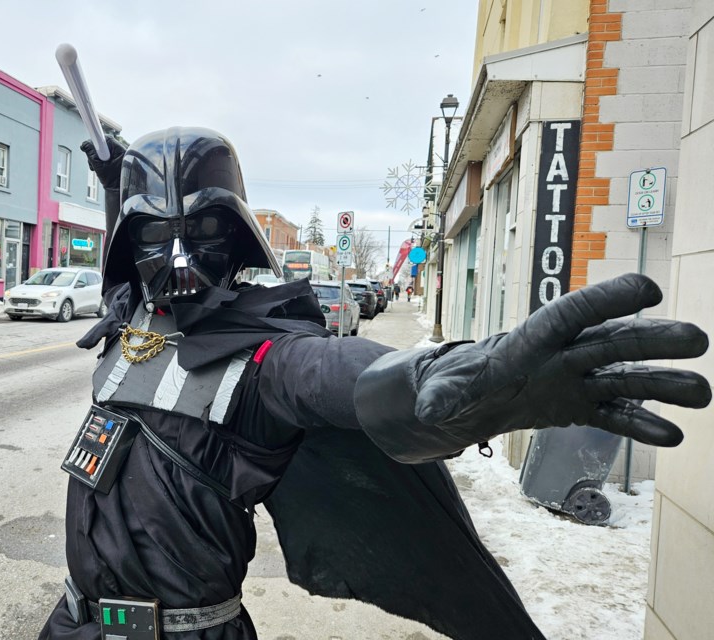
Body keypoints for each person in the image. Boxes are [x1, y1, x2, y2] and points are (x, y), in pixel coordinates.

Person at [39, 127, 710, 640]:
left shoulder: (267, 360)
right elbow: (127, 275)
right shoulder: (134, 322)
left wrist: (456, 378)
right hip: (72, 625)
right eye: (156, 234)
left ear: (239, 239)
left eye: (205, 232)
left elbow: (339, 375)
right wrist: (116, 188)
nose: (178, 258)